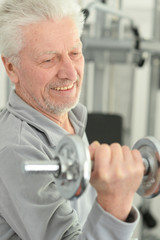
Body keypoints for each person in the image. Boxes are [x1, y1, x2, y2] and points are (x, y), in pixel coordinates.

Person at [0, 0, 144, 239]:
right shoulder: (14, 151)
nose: (70, 72)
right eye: (48, 60)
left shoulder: (66, 120)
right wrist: (115, 202)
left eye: (75, 53)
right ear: (11, 67)